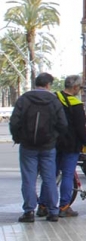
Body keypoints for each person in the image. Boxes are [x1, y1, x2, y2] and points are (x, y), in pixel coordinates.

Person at [9, 73, 69, 223]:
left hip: (28, 146)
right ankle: (53, 211)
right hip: (48, 146)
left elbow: (14, 122)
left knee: (29, 178)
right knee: (49, 178)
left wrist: (18, 138)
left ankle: (29, 211)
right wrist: (55, 138)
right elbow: (63, 124)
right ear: (48, 85)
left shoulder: (24, 99)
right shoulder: (54, 101)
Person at [39, 75, 86, 218]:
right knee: (67, 175)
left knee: (51, 175)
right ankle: (64, 206)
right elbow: (80, 129)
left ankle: (42, 205)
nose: (80, 90)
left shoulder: (54, 98)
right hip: (71, 145)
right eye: (80, 88)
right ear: (75, 87)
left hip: (54, 143)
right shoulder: (76, 104)